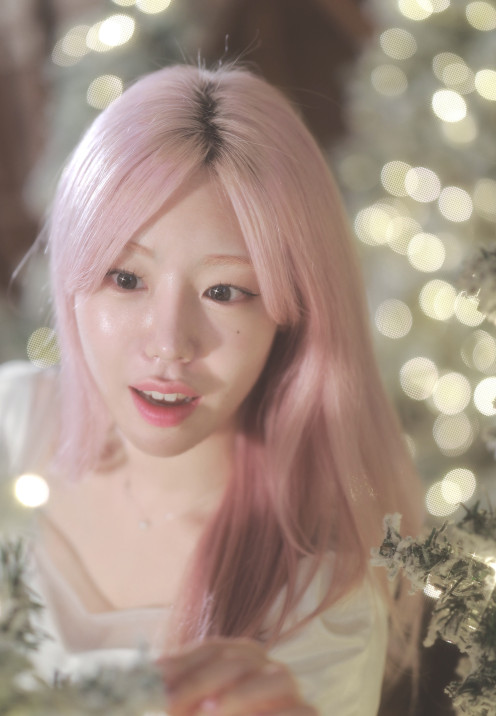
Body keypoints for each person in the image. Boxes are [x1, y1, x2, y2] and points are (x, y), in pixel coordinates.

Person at [0, 63, 424, 715]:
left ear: (293, 314)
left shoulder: (318, 600)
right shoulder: (11, 423)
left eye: (224, 291)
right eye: (126, 279)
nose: (170, 344)